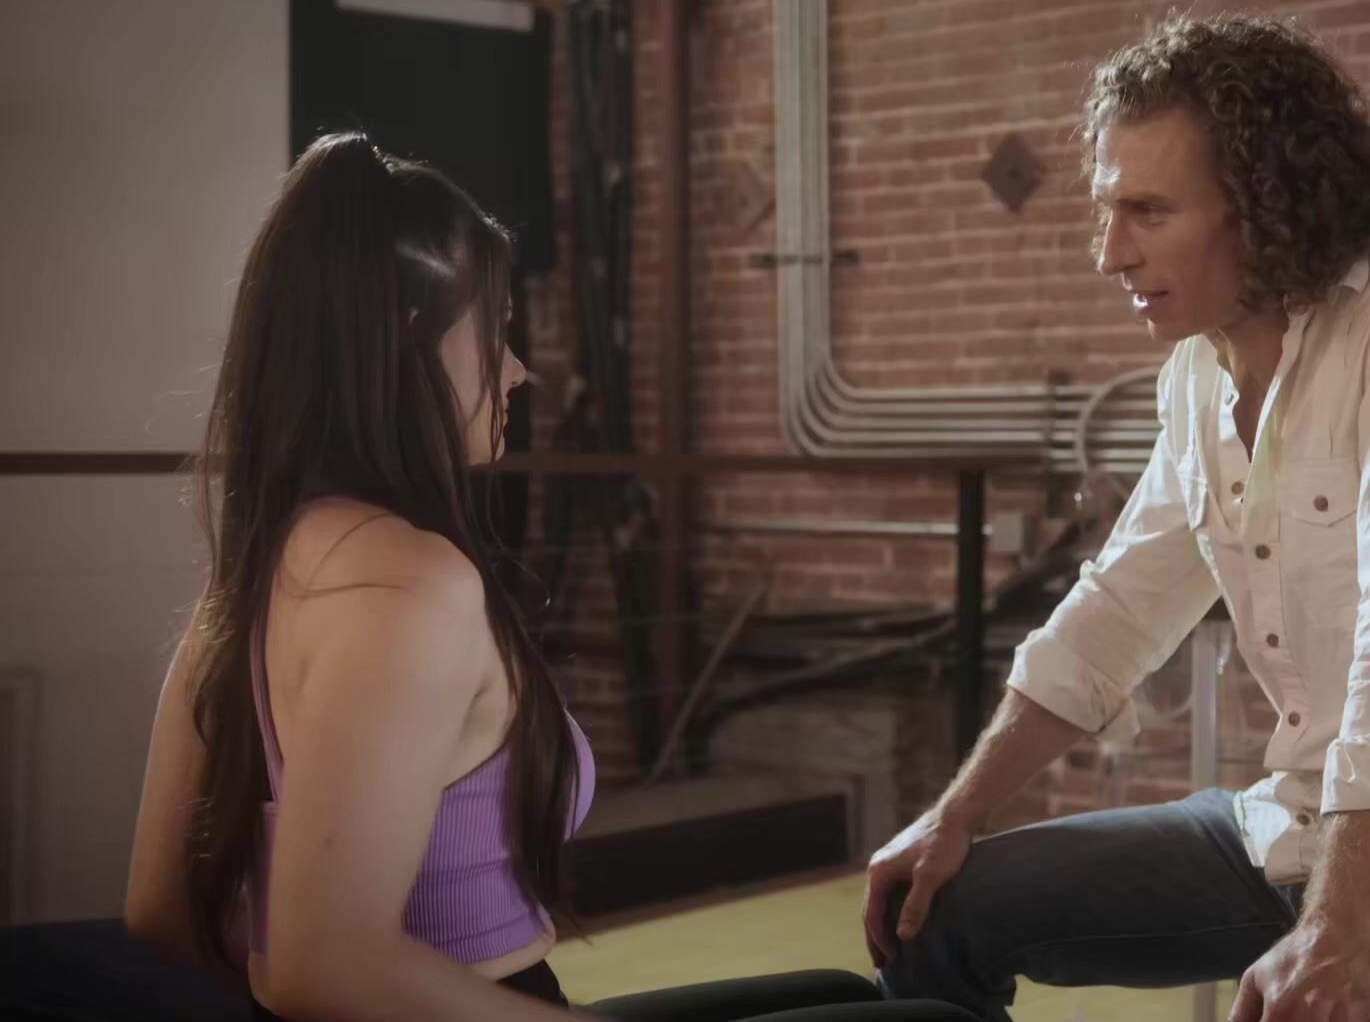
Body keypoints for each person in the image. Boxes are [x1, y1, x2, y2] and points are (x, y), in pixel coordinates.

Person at [863, 15, 1370, 1022]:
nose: (1110, 254)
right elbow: (1116, 612)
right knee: (933, 912)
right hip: (1292, 830)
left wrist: (1340, 932)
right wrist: (954, 812)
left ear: (1267, 206)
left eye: (1148, 211)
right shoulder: (1196, 375)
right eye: (1107, 211)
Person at [123, 133, 970, 1022]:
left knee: (838, 993)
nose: (518, 369)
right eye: (497, 332)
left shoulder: (257, 569)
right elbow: (324, 967)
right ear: (411, 342)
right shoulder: (412, 589)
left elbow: (159, 910)